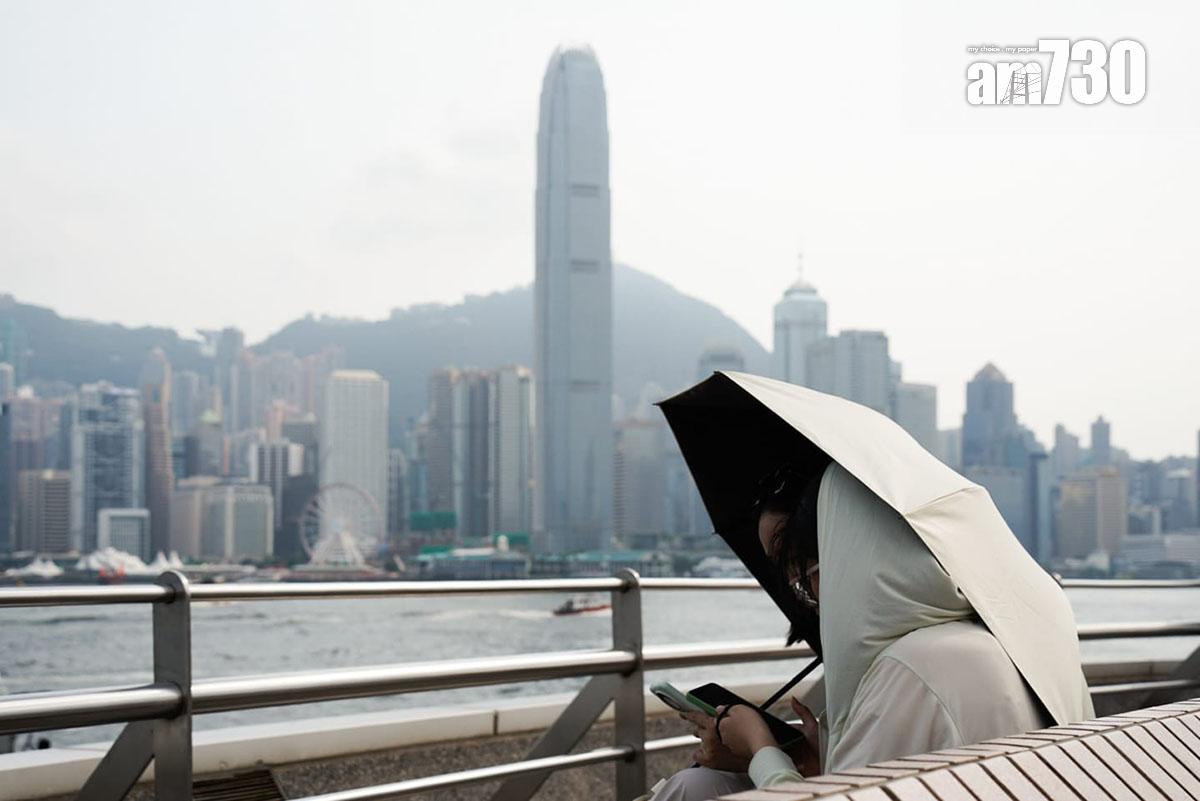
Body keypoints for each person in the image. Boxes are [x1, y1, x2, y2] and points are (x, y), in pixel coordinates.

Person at [650, 460, 1055, 800]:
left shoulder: (909, 672)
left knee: (689, 789)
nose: (797, 587)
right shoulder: (966, 643)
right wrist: (821, 756)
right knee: (697, 785)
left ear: (844, 551)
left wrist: (761, 747)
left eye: (795, 565)